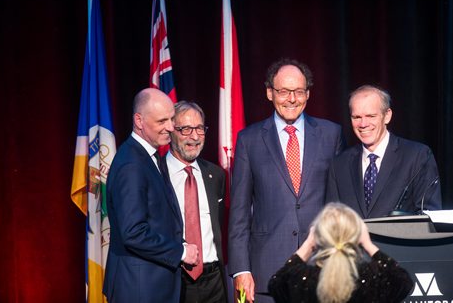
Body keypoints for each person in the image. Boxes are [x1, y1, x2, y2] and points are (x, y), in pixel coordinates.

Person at [228, 58, 345, 303]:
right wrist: (241, 269)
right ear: (269, 93)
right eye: (283, 91)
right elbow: (239, 212)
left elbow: (339, 205)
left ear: (308, 94)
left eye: (298, 91)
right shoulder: (248, 140)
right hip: (266, 274)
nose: (291, 99)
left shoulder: (331, 134)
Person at [103, 88, 199, 302]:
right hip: (139, 288)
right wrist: (180, 252)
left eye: (171, 119)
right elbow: (134, 232)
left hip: (150, 285)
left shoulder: (148, 156)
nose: (171, 127)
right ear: (139, 120)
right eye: (162, 121)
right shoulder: (132, 165)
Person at [326, 85, 442, 218]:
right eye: (357, 117)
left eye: (371, 116)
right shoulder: (339, 165)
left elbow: (428, 215)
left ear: (387, 116)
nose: (363, 124)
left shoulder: (417, 156)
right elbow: (332, 222)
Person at [268, 202, 414, 303]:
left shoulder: (302, 279)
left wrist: (308, 244)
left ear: (319, 236)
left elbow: (276, 284)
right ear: (357, 235)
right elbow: (403, 281)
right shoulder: (373, 277)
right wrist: (368, 244)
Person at [161, 101, 228, 303]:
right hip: (174, 278)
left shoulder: (216, 175)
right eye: (186, 129)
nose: (195, 136)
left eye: (199, 128)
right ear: (171, 130)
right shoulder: (156, 173)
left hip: (214, 280)